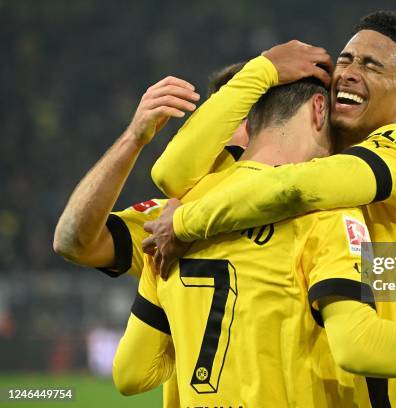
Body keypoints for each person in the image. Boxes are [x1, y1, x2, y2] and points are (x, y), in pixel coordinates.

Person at [143, 11, 396, 406]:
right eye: (346, 59)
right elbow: (170, 174)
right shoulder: (288, 173)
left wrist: (184, 222)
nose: (350, 72)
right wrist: (263, 69)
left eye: (371, 65)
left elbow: (296, 190)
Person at [52, 61, 252, 407]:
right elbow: (71, 242)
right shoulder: (167, 221)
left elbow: (377, 315)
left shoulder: (333, 208)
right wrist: (133, 138)